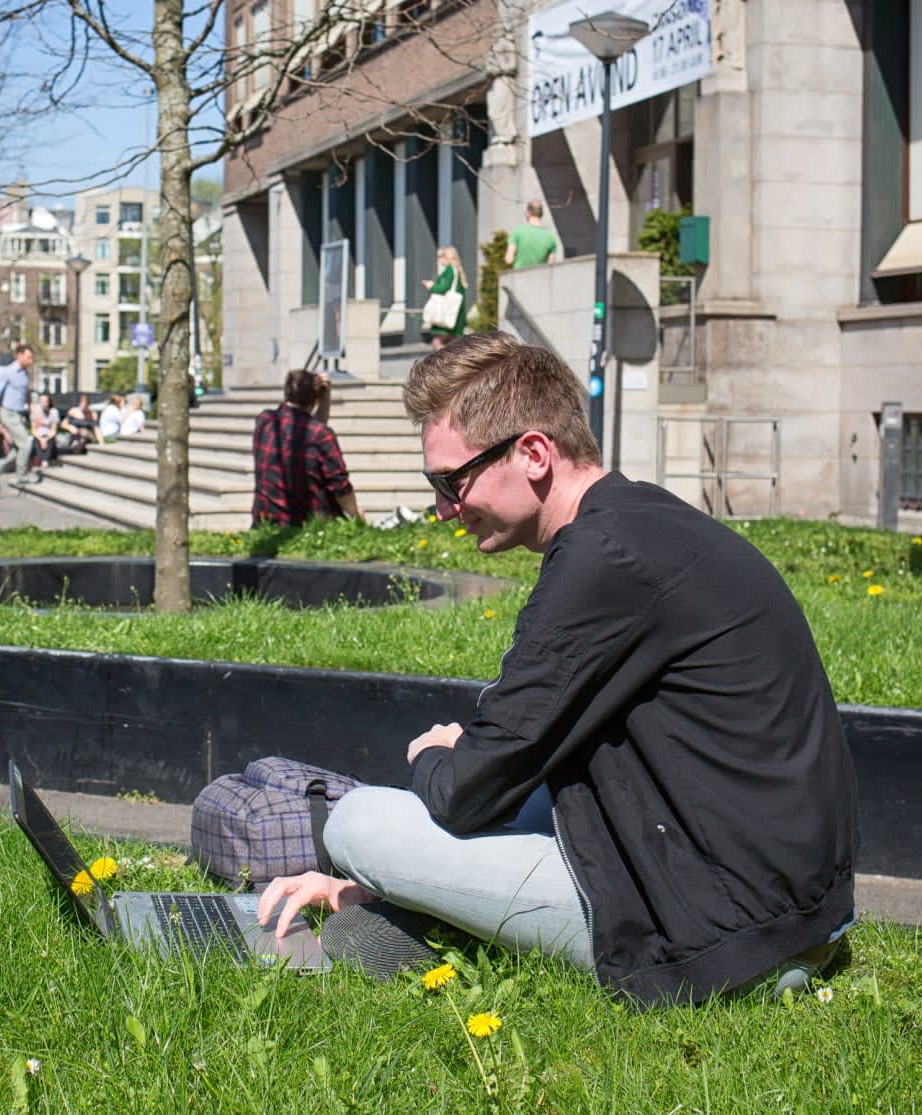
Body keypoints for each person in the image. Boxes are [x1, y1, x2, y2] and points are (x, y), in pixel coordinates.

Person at [258, 334, 859, 1007]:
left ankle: (407, 911)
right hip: (792, 904)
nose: (444, 508)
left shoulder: (600, 561)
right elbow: (521, 757)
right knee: (514, 799)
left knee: (357, 824)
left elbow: (465, 791)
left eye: (452, 481)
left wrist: (433, 755)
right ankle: (409, 917)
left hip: (720, 933)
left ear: (534, 453)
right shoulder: (641, 523)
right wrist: (477, 761)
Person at [249, 368, 359, 526]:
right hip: (307, 525)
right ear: (314, 401)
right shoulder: (321, 435)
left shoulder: (264, 421)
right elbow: (340, 487)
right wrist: (356, 516)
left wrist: (320, 398)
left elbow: (308, 429)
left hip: (265, 522)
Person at [0, 342, 37, 492]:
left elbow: (26, 396)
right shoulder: (7, 372)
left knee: (18, 449)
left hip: (20, 415)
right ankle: (20, 476)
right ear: (19, 356)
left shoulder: (25, 374)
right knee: (27, 443)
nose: (31, 361)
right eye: (29, 358)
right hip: (8, 413)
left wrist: (33, 411)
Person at [421, 245, 468, 350]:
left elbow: (444, 288)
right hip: (455, 312)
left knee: (437, 342)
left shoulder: (450, 270)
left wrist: (431, 286)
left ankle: (443, 364)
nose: (440, 259)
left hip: (446, 311)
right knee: (453, 344)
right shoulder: (457, 270)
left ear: (447, 257)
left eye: (441, 256)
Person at [504, 199, 558, 268]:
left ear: (528, 213)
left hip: (519, 277)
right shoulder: (551, 237)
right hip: (539, 277)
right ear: (541, 214)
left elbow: (509, 260)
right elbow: (551, 267)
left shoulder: (517, 231)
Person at [29, 391, 60, 468]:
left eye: (45, 401)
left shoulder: (54, 412)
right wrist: (41, 439)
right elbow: (33, 429)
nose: (43, 403)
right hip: (38, 434)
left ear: (49, 402)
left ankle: (44, 460)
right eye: (41, 401)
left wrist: (45, 439)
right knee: (36, 441)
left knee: (50, 440)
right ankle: (42, 460)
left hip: (48, 434)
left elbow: (54, 430)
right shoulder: (36, 412)